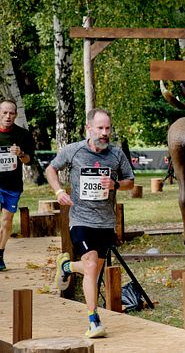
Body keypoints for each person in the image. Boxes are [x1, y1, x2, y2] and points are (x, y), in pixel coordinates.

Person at [47, 108, 135, 338]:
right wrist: (58, 192)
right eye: (100, 128)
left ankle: (66, 267)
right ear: (89, 128)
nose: (105, 133)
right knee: (91, 266)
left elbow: (130, 183)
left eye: (108, 128)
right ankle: (93, 320)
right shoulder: (74, 151)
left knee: (92, 272)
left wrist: (115, 185)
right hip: (81, 219)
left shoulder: (116, 155)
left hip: (105, 222)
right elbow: (51, 169)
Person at [0, 100, 35, 272]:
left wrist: (20, 154)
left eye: (11, 113)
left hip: (12, 185)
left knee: (6, 222)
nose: (8, 116)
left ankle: (0, 253)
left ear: (16, 114)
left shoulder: (23, 135)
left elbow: (30, 161)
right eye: (5, 112)